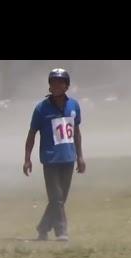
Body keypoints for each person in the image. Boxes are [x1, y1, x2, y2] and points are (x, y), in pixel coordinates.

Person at [23, 68, 86, 241]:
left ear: (67, 85)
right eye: (53, 82)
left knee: (60, 199)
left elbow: (76, 133)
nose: (57, 85)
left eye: (61, 82)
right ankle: (61, 231)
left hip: (68, 158)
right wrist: (27, 158)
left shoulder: (74, 106)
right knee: (56, 197)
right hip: (50, 159)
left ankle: (43, 227)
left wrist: (80, 157)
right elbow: (31, 134)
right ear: (49, 86)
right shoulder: (41, 109)